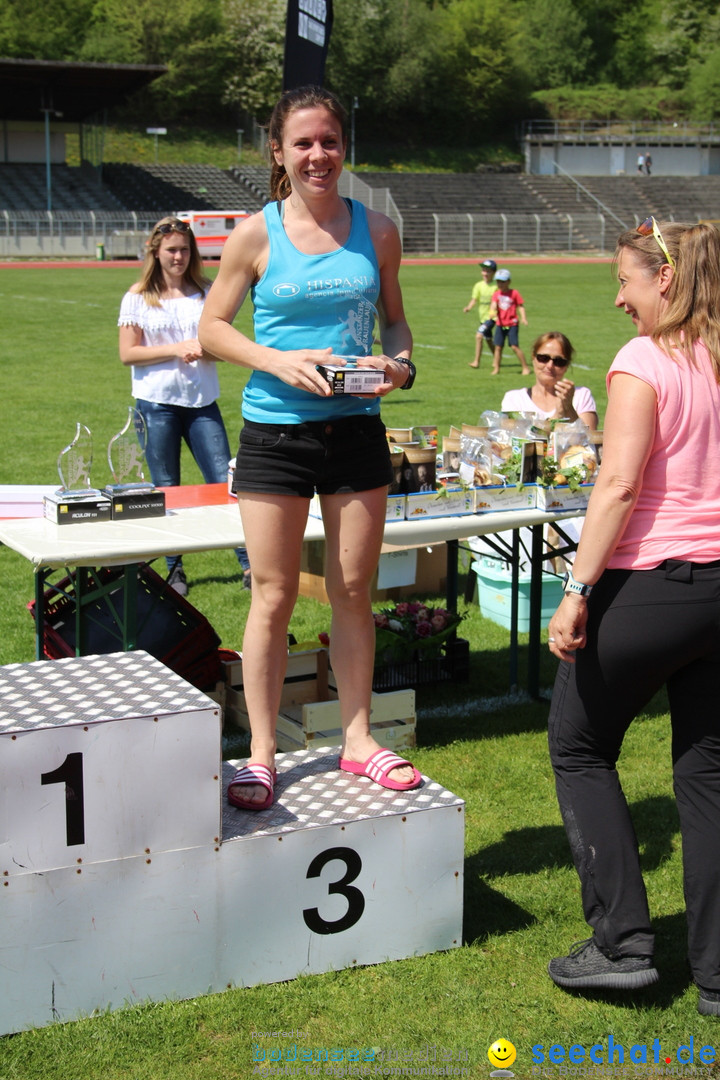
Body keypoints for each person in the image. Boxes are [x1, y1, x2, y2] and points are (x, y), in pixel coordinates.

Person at [198, 85, 422, 811]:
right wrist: (276, 360)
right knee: (273, 594)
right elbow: (212, 328)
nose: (318, 154)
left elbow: (396, 326)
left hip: (356, 429)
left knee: (355, 592)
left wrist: (401, 366)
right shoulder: (255, 234)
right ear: (278, 152)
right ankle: (260, 754)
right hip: (275, 434)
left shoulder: (379, 230)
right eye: (303, 143)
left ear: (343, 146)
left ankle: (358, 740)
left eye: (328, 141)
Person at [545, 218, 720, 1016]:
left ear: (668, 281)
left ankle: (621, 943)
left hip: (654, 581)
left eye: (626, 281)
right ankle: (716, 976)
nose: (618, 299)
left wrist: (576, 589)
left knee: (578, 746)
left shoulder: (644, 359)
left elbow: (615, 486)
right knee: (707, 777)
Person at [118, 216, 250, 595]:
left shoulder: (208, 293)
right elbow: (128, 353)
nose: (178, 256)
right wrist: (177, 348)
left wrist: (206, 349)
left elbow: (226, 348)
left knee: (227, 484)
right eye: (171, 250)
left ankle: (248, 565)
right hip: (155, 405)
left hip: (201, 403)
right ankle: (174, 572)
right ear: (156, 252)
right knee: (166, 490)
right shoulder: (138, 297)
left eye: (184, 250)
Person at [501, 331, 598, 429]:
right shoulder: (514, 399)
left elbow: (590, 439)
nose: (550, 366)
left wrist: (569, 408)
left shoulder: (581, 395)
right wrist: (558, 415)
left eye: (559, 361)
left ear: (567, 366)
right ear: (533, 358)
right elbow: (511, 439)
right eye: (543, 358)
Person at [489, 269, 530, 376]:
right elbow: (493, 304)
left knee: (514, 346)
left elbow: (520, 306)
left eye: (503, 282)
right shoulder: (496, 294)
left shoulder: (514, 293)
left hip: (512, 324)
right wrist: (492, 312)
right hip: (500, 324)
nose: (500, 284)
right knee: (498, 347)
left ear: (508, 282)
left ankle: (525, 367)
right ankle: (496, 368)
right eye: (498, 282)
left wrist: (523, 318)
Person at [463, 258, 497, 368]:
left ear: (493, 273)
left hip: (492, 318)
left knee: (478, 336)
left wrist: (494, 313)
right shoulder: (479, 285)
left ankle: (476, 362)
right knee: (488, 340)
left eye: (488, 271)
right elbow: (475, 299)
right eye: (484, 270)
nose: (485, 273)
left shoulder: (496, 287)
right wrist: (469, 307)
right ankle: (497, 358)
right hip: (482, 317)